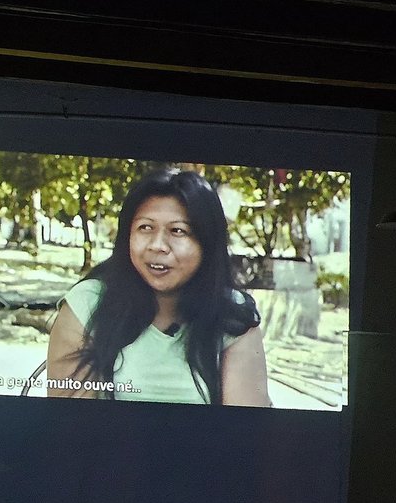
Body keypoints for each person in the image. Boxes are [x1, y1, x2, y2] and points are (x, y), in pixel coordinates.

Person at [46, 167, 272, 406]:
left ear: (207, 244)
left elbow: (243, 424)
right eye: (145, 227)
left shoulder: (234, 315)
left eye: (178, 231)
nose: (157, 245)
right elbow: (71, 423)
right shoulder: (86, 304)